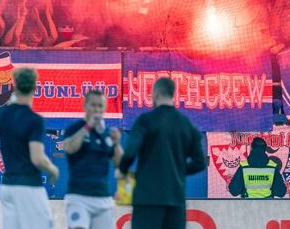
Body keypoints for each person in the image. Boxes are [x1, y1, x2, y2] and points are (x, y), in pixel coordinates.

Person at [118, 77, 206, 229]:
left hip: (147, 198)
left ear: (156, 93)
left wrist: (122, 169)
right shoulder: (185, 124)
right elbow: (200, 162)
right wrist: (177, 170)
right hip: (176, 199)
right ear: (172, 94)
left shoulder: (145, 120)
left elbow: (130, 152)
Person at [0, 67, 58, 229]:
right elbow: (37, 158)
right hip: (28, 185)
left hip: (8, 186)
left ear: (14, 85)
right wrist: (52, 169)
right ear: (35, 87)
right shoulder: (34, 120)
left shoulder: (0, 115)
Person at [63, 90, 123, 229]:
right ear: (85, 106)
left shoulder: (107, 133)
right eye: (93, 105)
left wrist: (117, 144)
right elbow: (70, 148)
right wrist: (87, 127)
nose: (97, 109)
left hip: (103, 198)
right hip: (78, 197)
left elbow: (119, 163)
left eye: (100, 106)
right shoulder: (74, 129)